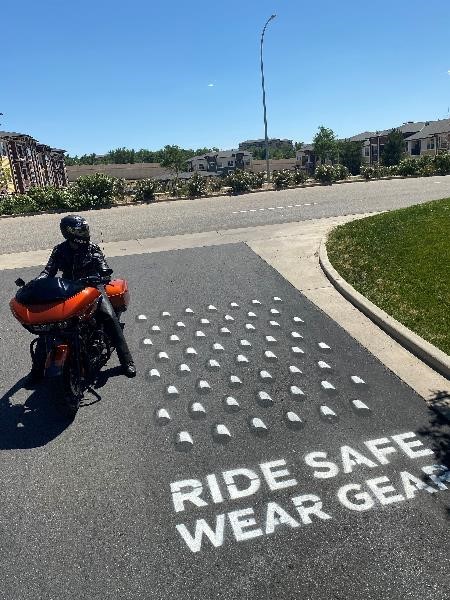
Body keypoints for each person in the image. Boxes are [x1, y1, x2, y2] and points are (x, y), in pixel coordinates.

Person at [30, 214, 136, 379]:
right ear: (69, 232)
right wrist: (38, 281)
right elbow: (48, 270)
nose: (85, 233)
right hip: (68, 290)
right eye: (81, 230)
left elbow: (103, 265)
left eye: (85, 229)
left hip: (92, 288)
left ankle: (127, 362)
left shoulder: (92, 248)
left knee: (109, 317)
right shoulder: (60, 250)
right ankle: (36, 371)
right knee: (49, 326)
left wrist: (103, 274)